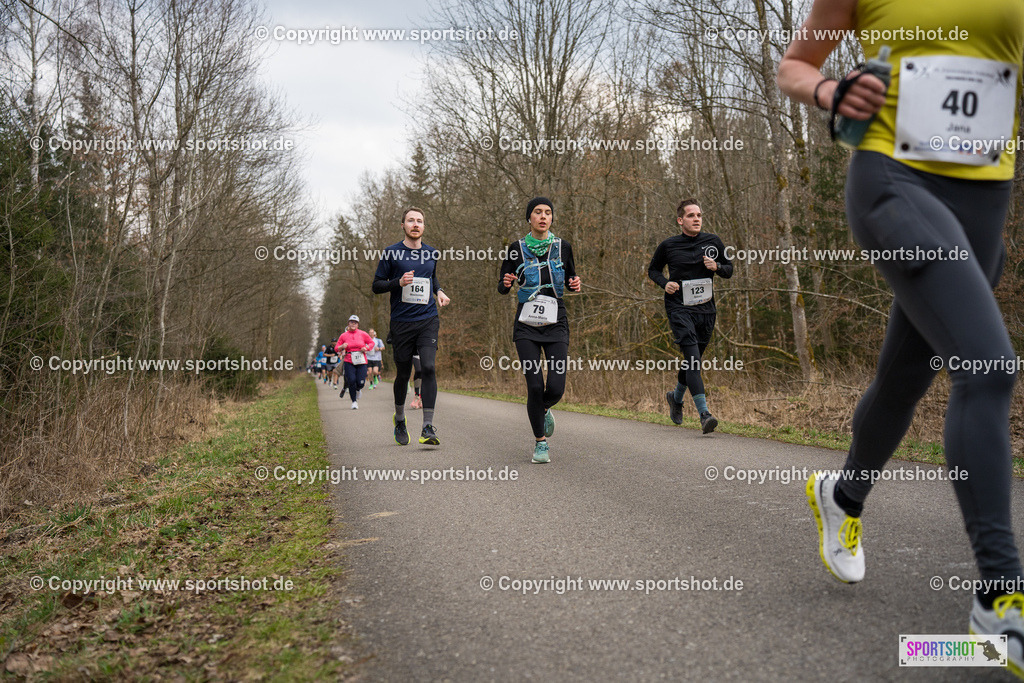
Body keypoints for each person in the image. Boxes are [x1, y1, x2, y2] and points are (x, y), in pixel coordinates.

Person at [778, 1, 1024, 671]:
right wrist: (830, 91)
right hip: (893, 178)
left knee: (905, 377)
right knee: (988, 367)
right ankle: (1001, 601)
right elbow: (795, 65)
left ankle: (842, 496)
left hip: (984, 202)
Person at [498, 197, 581, 464]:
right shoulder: (516, 249)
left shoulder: (563, 247)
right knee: (534, 385)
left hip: (556, 323)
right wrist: (506, 283)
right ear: (529, 218)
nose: (543, 216)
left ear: (552, 218)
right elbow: (502, 286)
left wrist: (574, 283)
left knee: (555, 387)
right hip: (526, 325)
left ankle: (543, 408)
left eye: (547, 212)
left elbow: (570, 279)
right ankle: (540, 443)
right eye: (537, 212)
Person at [648, 199, 733, 434]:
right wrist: (665, 284)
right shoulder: (668, 245)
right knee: (694, 360)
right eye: (691, 215)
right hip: (679, 308)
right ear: (680, 220)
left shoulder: (713, 241)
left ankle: (675, 398)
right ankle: (704, 414)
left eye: (699, 215)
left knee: (691, 361)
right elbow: (653, 270)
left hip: (706, 311)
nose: (696, 219)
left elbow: (729, 269)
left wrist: (717, 267)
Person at [372, 207, 450, 445]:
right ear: (403, 225)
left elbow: (432, 277)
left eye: (419, 221)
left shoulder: (432, 253)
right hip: (401, 323)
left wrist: (439, 291)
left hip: (428, 319)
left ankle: (427, 427)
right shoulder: (391, 253)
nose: (415, 224)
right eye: (411, 220)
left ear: (424, 226)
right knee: (404, 374)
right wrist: (398, 282)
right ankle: (399, 419)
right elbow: (377, 285)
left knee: (428, 368)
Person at [335, 315, 374, 410]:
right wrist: (342, 346)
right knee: (351, 381)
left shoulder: (363, 334)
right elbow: (336, 348)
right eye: (351, 322)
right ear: (348, 323)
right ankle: (354, 401)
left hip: (361, 361)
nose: (353, 324)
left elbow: (371, 343)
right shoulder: (343, 335)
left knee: (361, 382)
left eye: (355, 322)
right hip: (349, 360)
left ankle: (358, 389)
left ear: (358, 324)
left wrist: (366, 348)